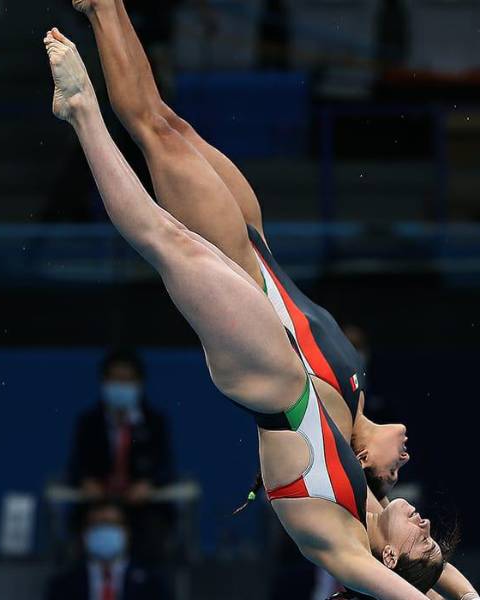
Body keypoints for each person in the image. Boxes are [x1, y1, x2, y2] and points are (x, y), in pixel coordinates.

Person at [43, 27, 446, 599]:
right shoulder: (362, 464)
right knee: (163, 125)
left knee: (166, 240)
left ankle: (81, 112)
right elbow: (442, 579)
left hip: (266, 375)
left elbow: (410, 590)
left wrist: (425, 590)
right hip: (255, 256)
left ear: (388, 559)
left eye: (423, 542)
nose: (427, 525)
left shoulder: (348, 543)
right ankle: (104, 7)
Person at [67, 348, 175, 560]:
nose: (120, 386)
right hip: (98, 503)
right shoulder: (89, 423)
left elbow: (165, 467)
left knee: (152, 534)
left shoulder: (154, 423)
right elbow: (75, 466)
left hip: (141, 507)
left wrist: (149, 484)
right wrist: (86, 481)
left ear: (139, 383)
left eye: (127, 380)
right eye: (115, 379)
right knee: (84, 527)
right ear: (103, 381)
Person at [46, 500, 175, 600]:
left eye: (112, 523)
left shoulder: (154, 586)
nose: (105, 530)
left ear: (126, 533)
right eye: (98, 524)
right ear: (85, 534)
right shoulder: (62, 586)